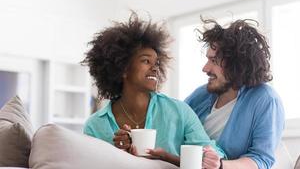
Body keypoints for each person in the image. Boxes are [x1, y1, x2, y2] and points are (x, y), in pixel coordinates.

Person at [82, 12, 225, 168]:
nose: (155, 68)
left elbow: (213, 157)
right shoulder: (95, 126)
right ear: (122, 68)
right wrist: (118, 155)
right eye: (146, 61)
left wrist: (169, 158)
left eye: (156, 63)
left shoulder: (179, 112)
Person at [185, 18, 285, 169]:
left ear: (237, 64)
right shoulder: (201, 95)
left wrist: (220, 165)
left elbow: (261, 159)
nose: (205, 68)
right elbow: (176, 123)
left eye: (214, 60)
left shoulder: (266, 99)